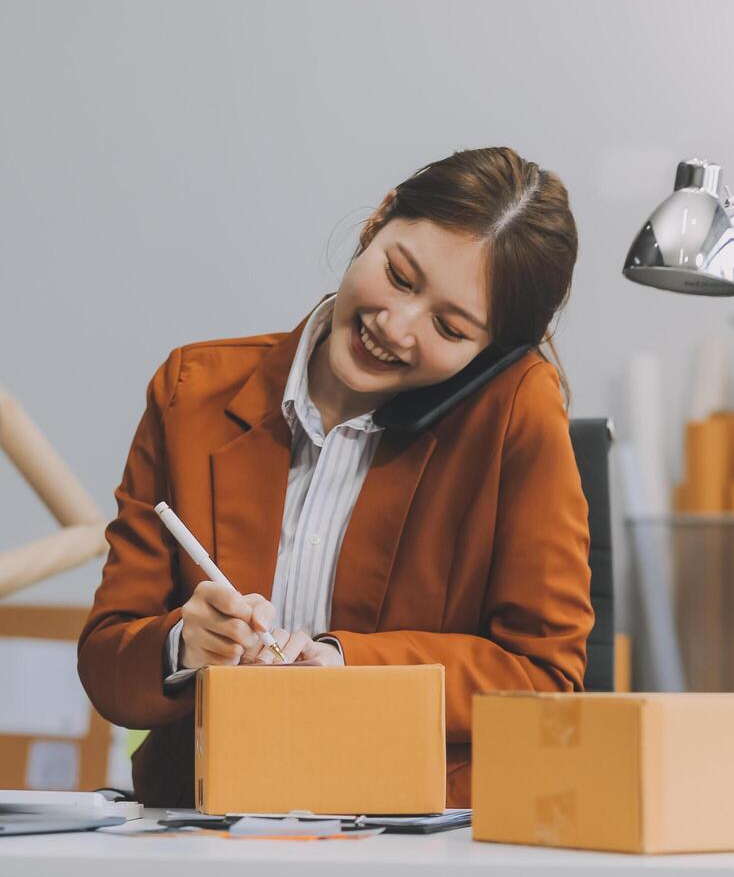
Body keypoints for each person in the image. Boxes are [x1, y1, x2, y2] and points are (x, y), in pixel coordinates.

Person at [77, 146, 592, 808]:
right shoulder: (191, 394)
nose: (395, 327)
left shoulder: (515, 412)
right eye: (400, 277)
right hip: (202, 828)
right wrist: (182, 646)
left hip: (407, 836)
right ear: (376, 222)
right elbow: (106, 665)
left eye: (449, 327)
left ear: (490, 353)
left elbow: (544, 676)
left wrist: (347, 665)